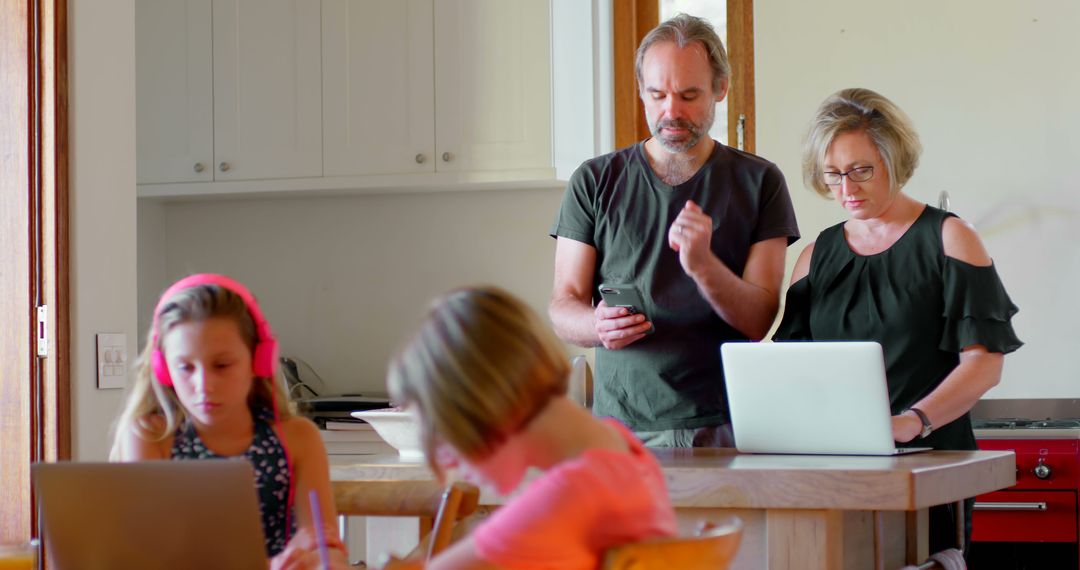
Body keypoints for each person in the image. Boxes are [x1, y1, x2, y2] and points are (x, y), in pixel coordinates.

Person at [774, 87, 1023, 555]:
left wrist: (913, 421)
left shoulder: (950, 238)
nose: (846, 189)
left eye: (861, 170)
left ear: (895, 160)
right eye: (833, 175)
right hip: (837, 468)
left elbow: (984, 363)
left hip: (931, 461)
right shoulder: (815, 256)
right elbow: (794, 367)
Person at [549, 14, 800, 447]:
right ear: (641, 90)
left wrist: (704, 266)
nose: (671, 111)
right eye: (657, 94)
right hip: (621, 429)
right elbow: (562, 306)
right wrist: (597, 325)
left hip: (728, 424)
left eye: (688, 95)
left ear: (720, 89)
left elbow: (758, 319)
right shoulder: (593, 180)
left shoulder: (760, 182)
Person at [384, 286, 677, 570]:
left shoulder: (570, 495)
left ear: (484, 405)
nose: (447, 460)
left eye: (445, 436)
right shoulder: (623, 451)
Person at [110, 274, 349, 569]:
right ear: (163, 370)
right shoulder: (152, 436)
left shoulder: (298, 438)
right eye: (185, 367)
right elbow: (148, 558)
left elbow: (327, 552)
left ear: (257, 360)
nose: (204, 385)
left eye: (222, 365)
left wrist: (324, 561)